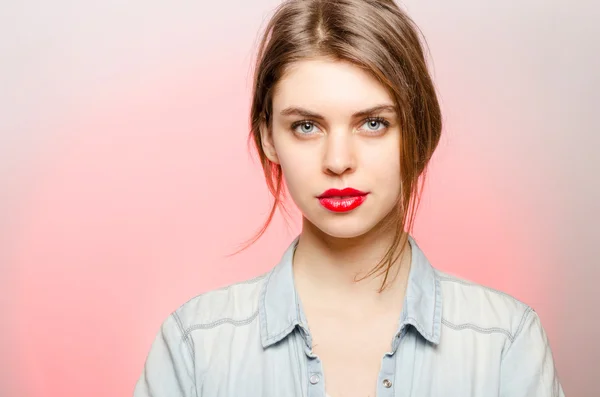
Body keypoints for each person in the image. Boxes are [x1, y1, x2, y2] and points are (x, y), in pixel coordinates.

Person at [133, 0, 565, 396]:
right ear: (268, 137)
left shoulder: (504, 341)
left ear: (420, 132)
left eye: (373, 123)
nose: (338, 161)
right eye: (306, 126)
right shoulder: (195, 345)